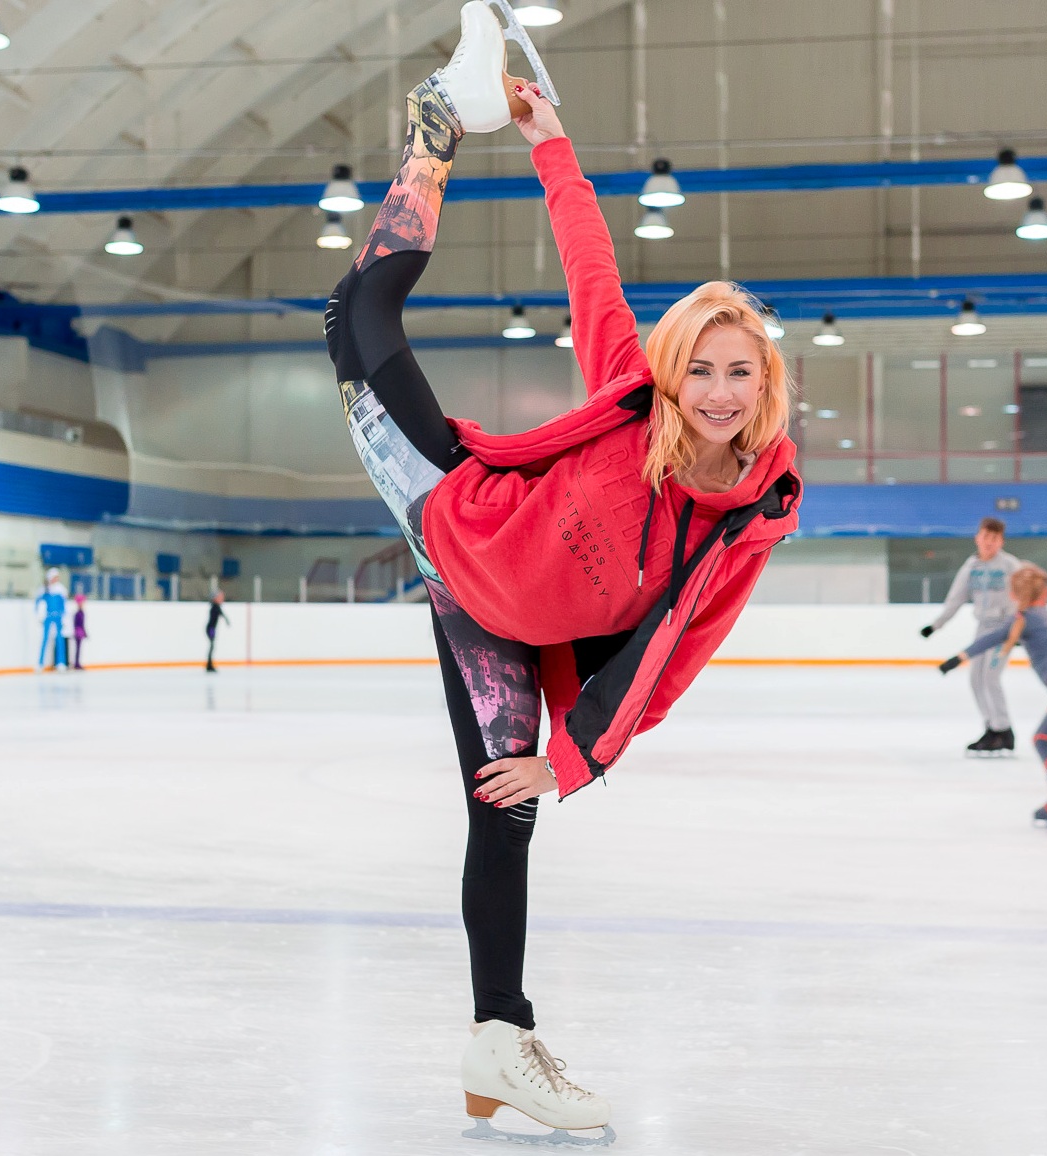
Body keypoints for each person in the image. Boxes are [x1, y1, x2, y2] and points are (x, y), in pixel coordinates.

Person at [321, 5, 800, 1141]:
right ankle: (439, 129)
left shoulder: (757, 506)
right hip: (458, 519)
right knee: (355, 310)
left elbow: (674, 653)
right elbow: (591, 264)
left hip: (501, 632)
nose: (719, 392)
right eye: (702, 370)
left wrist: (572, 759)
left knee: (503, 813)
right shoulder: (637, 395)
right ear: (675, 373)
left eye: (740, 372)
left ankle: (499, 1047)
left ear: (764, 382)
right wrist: (546, 139)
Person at [941, 564, 1047, 832]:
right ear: (1046, 592)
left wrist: (956, 659)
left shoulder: (1023, 620)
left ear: (1014, 595)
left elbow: (986, 640)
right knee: (1042, 739)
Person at [920, 516, 1020, 754]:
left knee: (990, 678)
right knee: (976, 679)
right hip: (982, 628)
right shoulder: (971, 567)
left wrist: (1019, 627)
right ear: (977, 537)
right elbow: (955, 598)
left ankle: (1003, 730)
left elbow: (1026, 595)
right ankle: (991, 727)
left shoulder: (1010, 566)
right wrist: (936, 625)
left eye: (994, 538)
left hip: (1004, 629)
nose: (989, 542)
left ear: (1001, 541)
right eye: (986, 536)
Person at [33, 568, 67, 672]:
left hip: (58, 617)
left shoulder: (61, 589)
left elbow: (64, 606)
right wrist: (39, 616)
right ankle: (40, 663)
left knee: (59, 639)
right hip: (48, 617)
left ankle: (61, 663)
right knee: (45, 639)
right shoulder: (44, 589)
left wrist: (64, 618)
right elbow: (38, 603)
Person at [204, 591, 229, 673]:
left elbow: (221, 614)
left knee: (212, 646)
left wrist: (226, 619)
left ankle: (209, 664)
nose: (222, 599)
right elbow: (220, 614)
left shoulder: (216, 606)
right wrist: (226, 620)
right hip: (211, 629)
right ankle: (209, 665)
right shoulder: (215, 607)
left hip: (212, 629)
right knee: (212, 646)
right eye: (220, 597)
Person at [70, 593, 87, 670]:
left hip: (80, 632)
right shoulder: (78, 613)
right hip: (78, 632)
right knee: (77, 648)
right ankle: (76, 663)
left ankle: (77, 663)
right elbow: (78, 624)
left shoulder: (80, 612)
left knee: (78, 648)